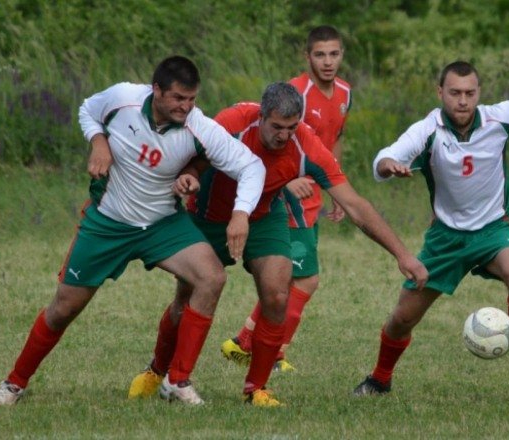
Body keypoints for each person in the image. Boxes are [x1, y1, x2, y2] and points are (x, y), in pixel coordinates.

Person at [0, 56, 266, 406]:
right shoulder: (123, 99)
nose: (186, 106)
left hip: (162, 223)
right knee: (64, 308)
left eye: (192, 99)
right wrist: (98, 142)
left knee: (212, 277)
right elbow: (88, 110)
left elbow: (251, 166)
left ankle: (178, 382)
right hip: (108, 222)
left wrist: (240, 214)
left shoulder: (200, 127)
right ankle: (14, 384)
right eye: (178, 98)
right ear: (157, 90)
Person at [128, 82, 428, 406]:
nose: (283, 135)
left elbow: (355, 204)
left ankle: (256, 389)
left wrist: (403, 255)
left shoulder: (305, 146)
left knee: (277, 293)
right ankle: (158, 371)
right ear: (261, 115)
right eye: (276, 127)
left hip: (262, 217)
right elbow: (185, 155)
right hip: (207, 218)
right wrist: (182, 179)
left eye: (291, 127)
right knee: (184, 299)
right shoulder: (233, 123)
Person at [353, 61, 509, 396]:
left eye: (470, 93)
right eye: (455, 92)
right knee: (403, 318)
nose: (463, 100)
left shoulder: (499, 118)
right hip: (446, 239)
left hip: (494, 228)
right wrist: (389, 166)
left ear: (478, 93)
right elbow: (383, 159)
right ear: (440, 92)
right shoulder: (429, 130)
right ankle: (380, 379)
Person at [220, 25, 352, 372]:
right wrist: (286, 183)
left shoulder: (344, 93)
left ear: (342, 55)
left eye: (334, 54)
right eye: (320, 54)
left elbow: (332, 142)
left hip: (315, 196)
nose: (328, 61)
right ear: (307, 57)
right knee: (303, 278)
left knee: (294, 278)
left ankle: (247, 342)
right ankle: (270, 351)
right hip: (287, 199)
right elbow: (271, 147)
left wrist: (336, 187)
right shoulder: (296, 94)